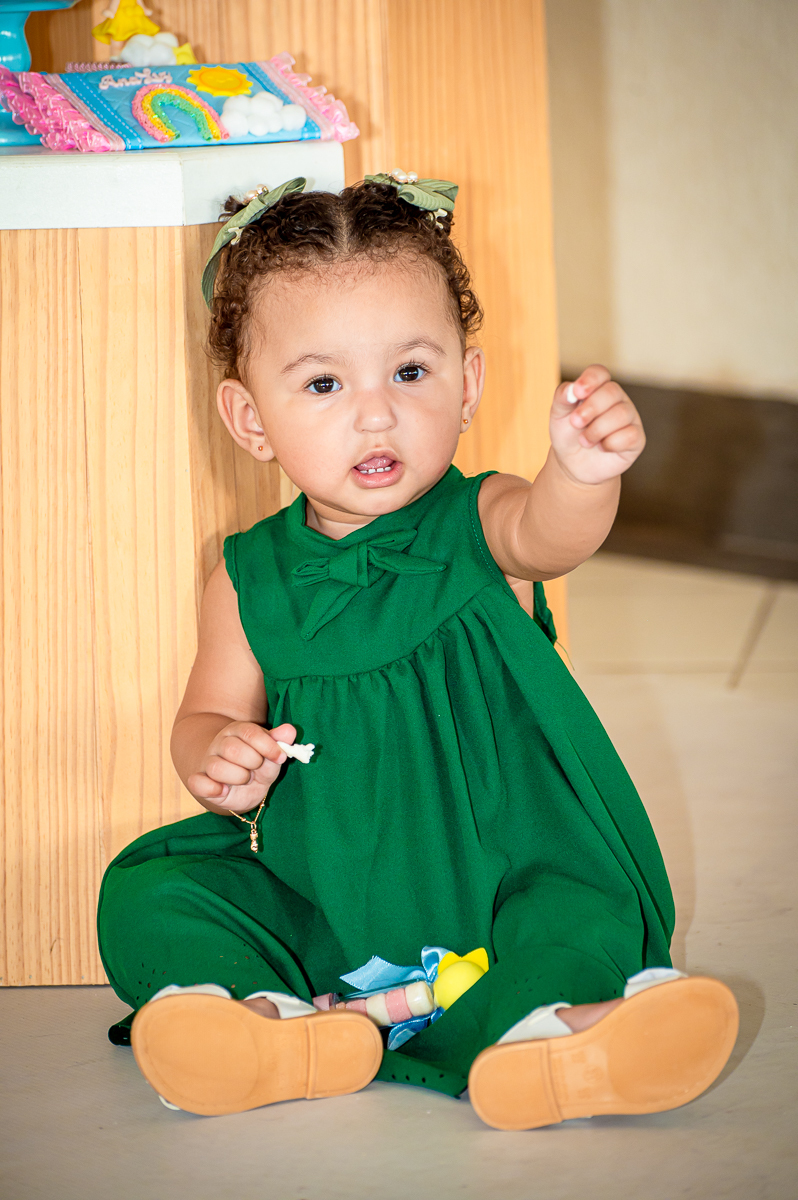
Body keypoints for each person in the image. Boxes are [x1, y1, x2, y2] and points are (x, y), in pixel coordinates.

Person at [97, 173, 738, 1129]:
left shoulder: (482, 517)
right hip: (327, 894)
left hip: (503, 875)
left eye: (409, 372)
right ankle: (267, 1019)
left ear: (467, 386)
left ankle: (556, 1027)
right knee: (150, 889)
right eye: (324, 384)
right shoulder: (246, 577)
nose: (375, 414)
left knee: (577, 910)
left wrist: (582, 474)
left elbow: (550, 537)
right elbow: (207, 713)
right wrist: (216, 758)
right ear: (250, 419)